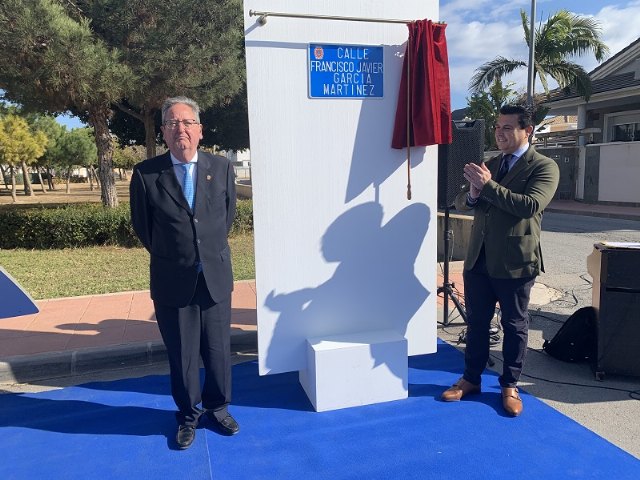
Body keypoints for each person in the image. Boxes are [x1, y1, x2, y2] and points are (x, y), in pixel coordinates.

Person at [130, 96, 238, 449]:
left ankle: (219, 407)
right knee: (183, 355)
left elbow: (227, 217)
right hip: (173, 279)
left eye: (188, 122)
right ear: (163, 131)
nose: (181, 129)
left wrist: (205, 252)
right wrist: (177, 255)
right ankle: (188, 416)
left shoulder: (221, 167)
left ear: (200, 130)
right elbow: (144, 228)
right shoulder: (146, 175)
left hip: (215, 277)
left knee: (219, 350)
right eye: (173, 123)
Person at [440, 104, 559, 416]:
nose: (500, 133)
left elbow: (529, 205)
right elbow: (461, 201)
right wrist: (475, 194)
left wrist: (487, 186)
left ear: (527, 130)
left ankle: (509, 384)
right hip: (478, 260)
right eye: (497, 127)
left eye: (507, 127)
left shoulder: (543, 167)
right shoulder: (490, 162)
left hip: (515, 261)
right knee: (477, 324)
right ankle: (471, 379)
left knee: (514, 324)